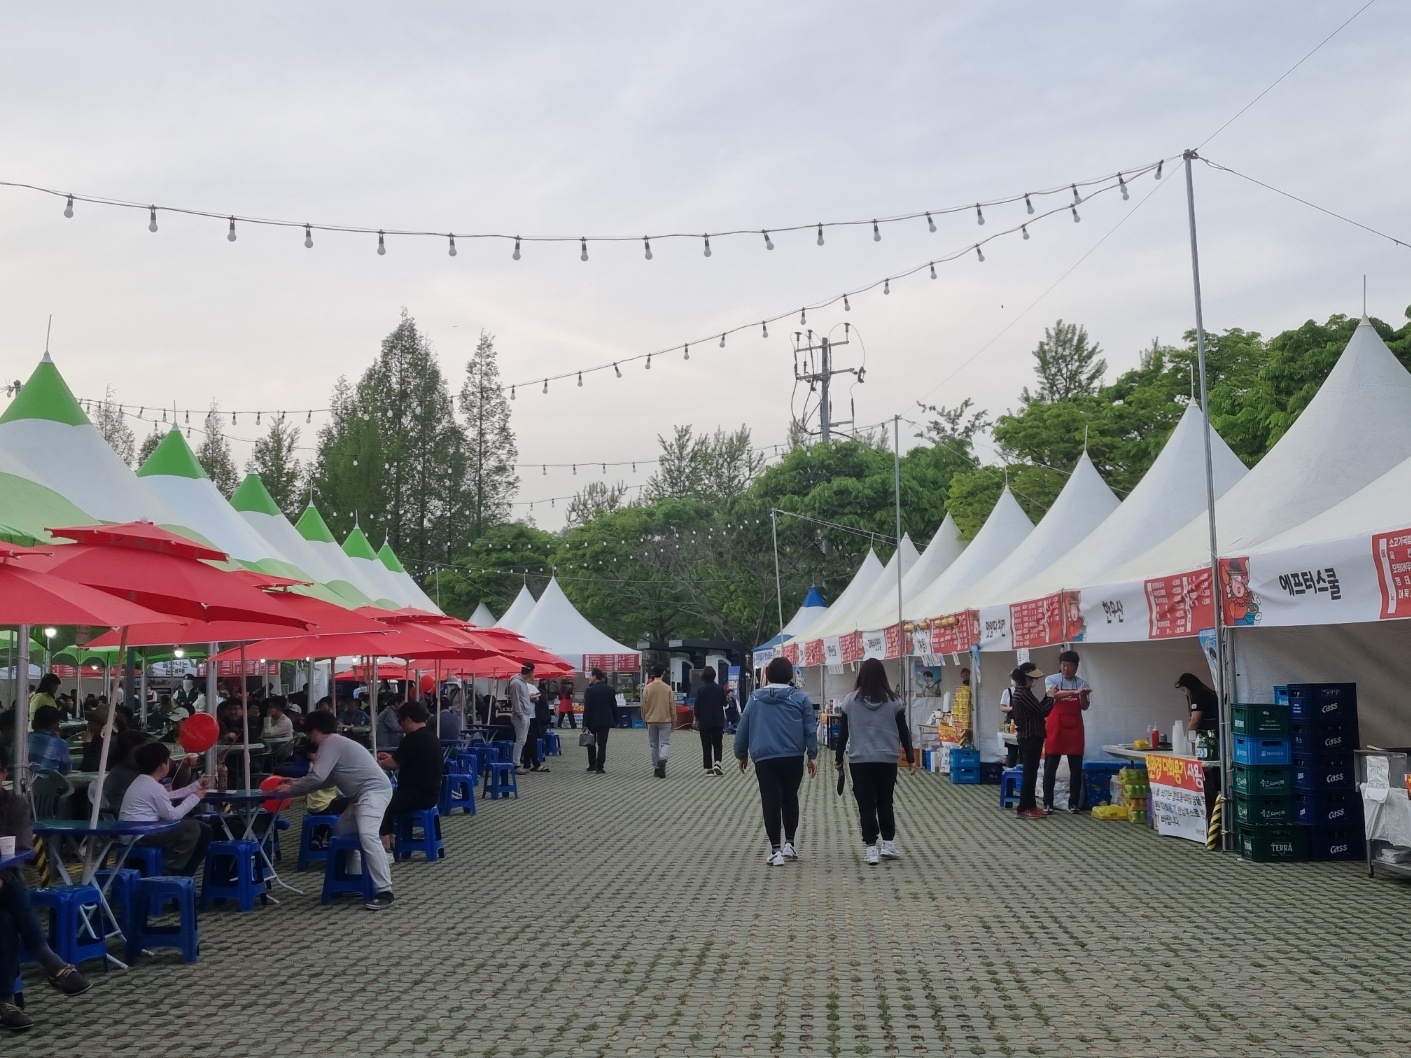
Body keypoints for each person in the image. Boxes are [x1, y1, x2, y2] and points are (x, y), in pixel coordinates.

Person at [0, 759, 92, 1033]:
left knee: (5, 919)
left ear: (3, 773)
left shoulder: (14, 804)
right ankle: (50, 961)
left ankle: (4, 1002)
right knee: (15, 894)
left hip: (4, 882)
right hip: (7, 886)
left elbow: (21, 848)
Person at [275, 711, 395, 911]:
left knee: (367, 834)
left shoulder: (331, 743)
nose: (308, 739)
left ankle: (385, 890)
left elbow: (317, 778)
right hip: (361, 795)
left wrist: (291, 789)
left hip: (373, 792)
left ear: (314, 731)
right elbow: (328, 779)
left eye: (308, 734)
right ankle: (349, 875)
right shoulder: (336, 743)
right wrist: (296, 782)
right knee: (341, 830)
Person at [733, 657, 819, 866]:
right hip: (793, 756)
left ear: (768, 675)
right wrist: (812, 755)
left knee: (770, 801)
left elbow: (743, 728)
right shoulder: (800, 699)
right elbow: (810, 728)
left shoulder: (754, 699)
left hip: (764, 758)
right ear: (790, 675)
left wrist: (741, 753)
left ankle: (775, 850)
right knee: (790, 798)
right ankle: (790, 843)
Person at [835, 659, 917, 864]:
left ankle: (871, 847)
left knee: (866, 804)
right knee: (885, 800)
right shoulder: (895, 702)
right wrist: (911, 759)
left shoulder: (849, 701)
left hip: (859, 759)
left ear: (861, 675)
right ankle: (889, 844)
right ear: (883, 676)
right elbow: (904, 732)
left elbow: (843, 734)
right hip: (887, 759)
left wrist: (838, 759)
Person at [120, 743, 214, 875]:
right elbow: (172, 815)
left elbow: (169, 795)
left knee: (203, 829)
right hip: (141, 835)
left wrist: (196, 785)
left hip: (139, 832)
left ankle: (185, 873)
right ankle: (169, 869)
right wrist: (195, 797)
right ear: (162, 765)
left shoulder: (143, 782)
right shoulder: (152, 786)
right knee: (191, 827)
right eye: (168, 761)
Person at [374, 701, 443, 851]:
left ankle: (384, 843)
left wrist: (374, 765)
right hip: (431, 794)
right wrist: (391, 758)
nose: (401, 726)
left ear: (408, 720)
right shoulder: (431, 736)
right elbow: (403, 758)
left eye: (401, 721)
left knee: (381, 802)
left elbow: (393, 764)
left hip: (415, 795)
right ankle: (391, 838)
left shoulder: (412, 738)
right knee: (390, 802)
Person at [1042, 650, 1090, 815]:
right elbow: (1053, 694)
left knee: (1075, 769)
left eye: (1070, 666)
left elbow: (1084, 707)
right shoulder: (1052, 679)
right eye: (1063, 665)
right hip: (1056, 728)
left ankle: (1073, 803)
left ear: (1076, 667)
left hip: (1075, 728)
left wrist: (1082, 697)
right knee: (1050, 767)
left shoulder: (1082, 683)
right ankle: (1048, 802)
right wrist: (1074, 693)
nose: (1066, 669)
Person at [1008, 665, 1053, 819]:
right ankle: (1024, 807)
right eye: (1033, 678)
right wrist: (1052, 697)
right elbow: (1043, 711)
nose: (1034, 681)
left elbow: (1038, 708)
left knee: (1031, 773)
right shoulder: (1023, 694)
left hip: (1028, 736)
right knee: (1029, 774)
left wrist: (1048, 697)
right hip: (1031, 736)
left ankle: (1030, 805)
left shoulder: (1021, 693)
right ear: (1026, 678)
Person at [640, 665, 675, 779]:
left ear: (653, 674)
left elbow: (643, 705)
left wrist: (644, 717)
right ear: (663, 673)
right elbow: (672, 705)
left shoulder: (647, 688)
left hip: (651, 719)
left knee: (653, 745)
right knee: (665, 743)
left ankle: (656, 767)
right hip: (665, 719)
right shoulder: (668, 688)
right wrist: (674, 719)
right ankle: (663, 759)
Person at [693, 667, 727, 775]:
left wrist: (696, 717)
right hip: (717, 720)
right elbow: (725, 703)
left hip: (705, 721)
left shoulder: (700, 690)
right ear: (714, 676)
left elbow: (697, 706)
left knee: (706, 744)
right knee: (718, 742)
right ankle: (718, 762)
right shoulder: (720, 688)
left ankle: (709, 767)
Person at [581, 668, 616, 773]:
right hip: (605, 720)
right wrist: (615, 719)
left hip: (592, 720)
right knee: (602, 744)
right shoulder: (609, 689)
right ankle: (600, 767)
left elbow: (587, 707)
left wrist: (584, 721)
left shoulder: (590, 690)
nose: (589, 678)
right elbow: (613, 705)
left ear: (595, 676)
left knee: (591, 742)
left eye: (590, 676)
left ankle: (592, 764)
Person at [507, 663, 538, 776]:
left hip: (525, 714)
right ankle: (516, 764)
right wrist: (521, 715)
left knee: (522, 740)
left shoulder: (522, 682)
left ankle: (517, 763)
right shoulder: (516, 683)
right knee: (520, 740)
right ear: (530, 672)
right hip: (521, 716)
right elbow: (515, 701)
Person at [27, 706, 71, 775]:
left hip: (21, 783)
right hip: (48, 784)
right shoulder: (60, 743)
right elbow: (66, 770)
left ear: (33, 723)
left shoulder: (22, 740)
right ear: (57, 726)